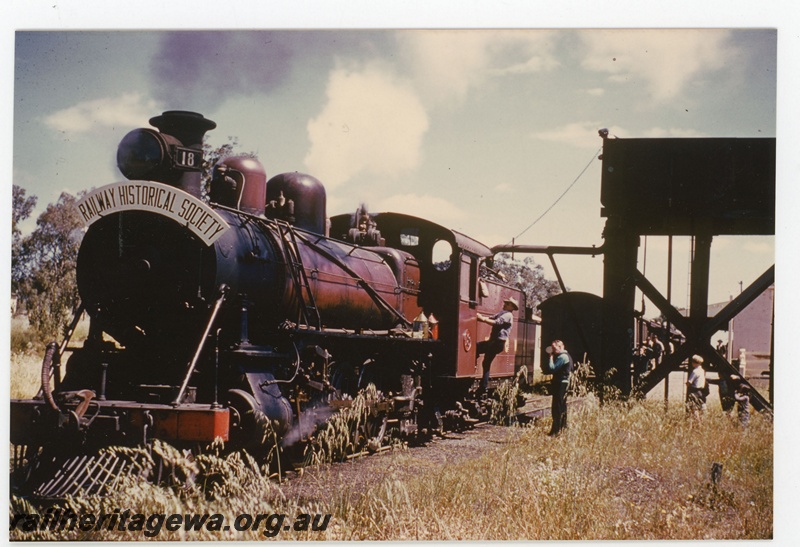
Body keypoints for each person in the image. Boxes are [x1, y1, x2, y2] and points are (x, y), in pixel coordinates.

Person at [475, 297, 518, 393]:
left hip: (497, 343)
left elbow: (496, 323)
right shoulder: (502, 313)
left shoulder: (508, 315)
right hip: (495, 342)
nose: (504, 304)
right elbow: (491, 318)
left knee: (476, 347)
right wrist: (478, 316)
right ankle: (483, 386)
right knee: (486, 363)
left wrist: (483, 319)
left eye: (507, 303)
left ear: (511, 307)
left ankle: (472, 366)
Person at [542, 339, 573, 436]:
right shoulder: (567, 356)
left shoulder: (562, 357)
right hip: (563, 383)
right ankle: (562, 428)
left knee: (557, 407)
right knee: (562, 406)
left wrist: (550, 358)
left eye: (555, 349)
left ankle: (555, 431)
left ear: (560, 347)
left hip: (560, 384)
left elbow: (552, 368)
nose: (553, 351)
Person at [686, 354, 707, 419]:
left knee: (694, 409)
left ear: (695, 363)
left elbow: (689, 382)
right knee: (701, 408)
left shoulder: (695, 371)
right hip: (701, 392)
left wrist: (687, 384)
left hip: (694, 391)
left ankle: (697, 423)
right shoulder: (702, 370)